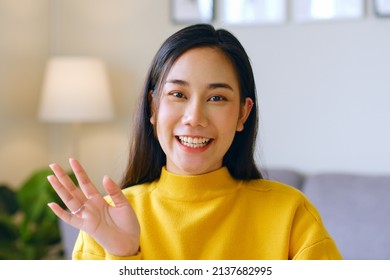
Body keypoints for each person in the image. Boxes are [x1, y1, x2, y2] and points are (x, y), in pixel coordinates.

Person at [47, 24, 342, 260]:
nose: (194, 117)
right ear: (153, 107)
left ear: (243, 113)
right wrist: (124, 257)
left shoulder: (290, 213)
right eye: (178, 94)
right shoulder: (105, 220)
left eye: (217, 98)